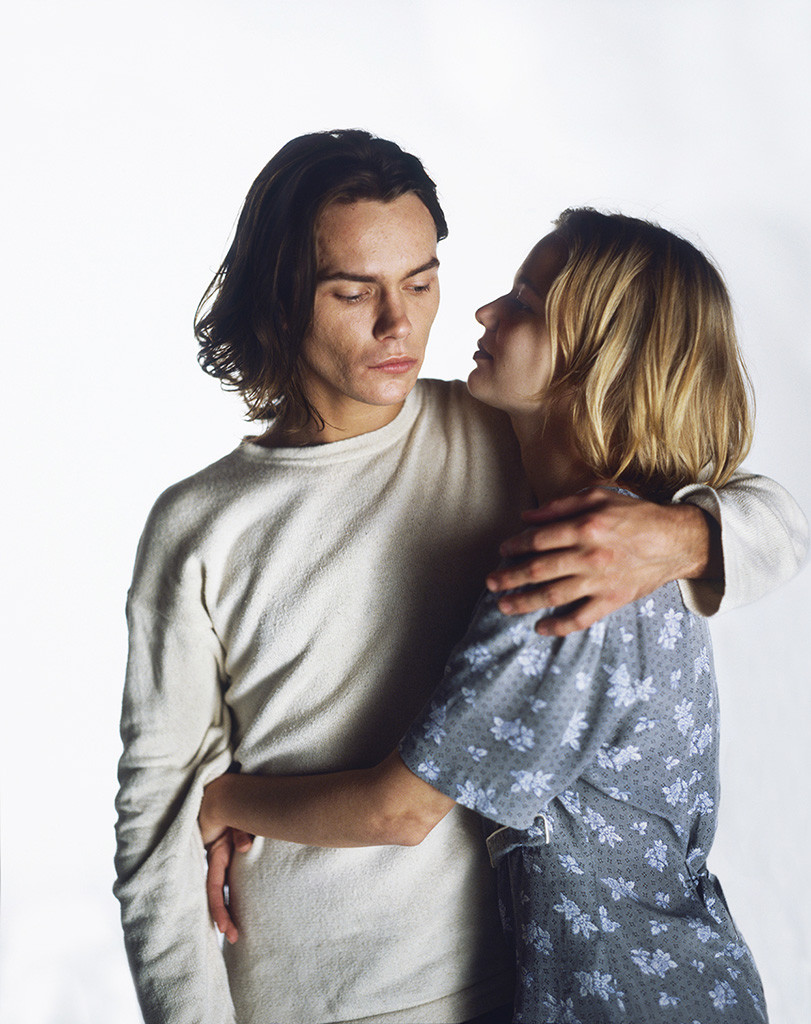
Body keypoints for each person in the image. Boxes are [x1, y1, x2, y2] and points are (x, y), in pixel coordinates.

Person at [114, 130, 805, 1024]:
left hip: (508, 983)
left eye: (421, 281)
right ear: (281, 297)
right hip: (310, 994)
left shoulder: (516, 444)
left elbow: (777, 521)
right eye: (354, 291)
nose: (399, 323)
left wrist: (684, 533)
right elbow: (156, 821)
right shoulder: (199, 525)